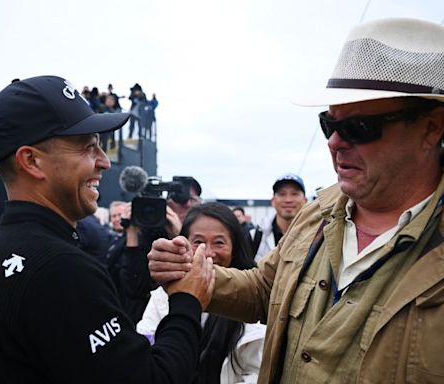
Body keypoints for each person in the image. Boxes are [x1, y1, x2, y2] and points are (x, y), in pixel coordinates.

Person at [148, 18, 444, 383]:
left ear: (431, 128)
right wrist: (191, 272)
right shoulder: (316, 214)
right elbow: (262, 290)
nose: (334, 142)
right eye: (328, 124)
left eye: (359, 128)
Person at [0, 75, 215, 383]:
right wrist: (186, 300)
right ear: (31, 161)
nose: (104, 163)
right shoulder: (60, 268)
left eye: (100, 147)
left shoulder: (2, 249)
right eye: (87, 148)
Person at [138, 202, 264, 383]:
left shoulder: (255, 301)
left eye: (219, 242)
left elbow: (256, 374)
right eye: (198, 242)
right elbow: (146, 346)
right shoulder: (161, 297)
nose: (208, 252)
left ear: (235, 247)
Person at [252, 173, 307, 261]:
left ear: (305, 200)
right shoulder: (254, 236)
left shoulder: (318, 235)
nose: (288, 200)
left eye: (294, 194)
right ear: (273, 201)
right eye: (282, 194)